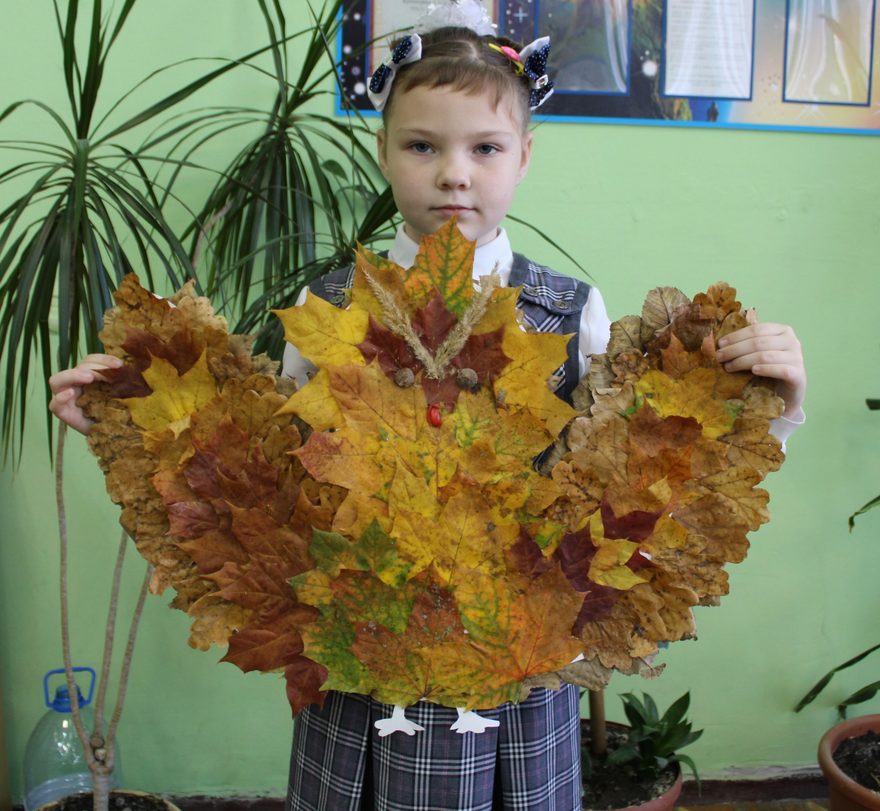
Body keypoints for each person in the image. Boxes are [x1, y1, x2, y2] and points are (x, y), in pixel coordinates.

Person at [49, 5, 807, 810]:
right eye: (422, 145)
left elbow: (635, 482)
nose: (455, 173)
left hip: (517, 683)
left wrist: (767, 405)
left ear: (524, 154)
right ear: (384, 150)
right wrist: (136, 425)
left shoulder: (567, 308)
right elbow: (273, 471)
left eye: (485, 147)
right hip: (362, 674)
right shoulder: (329, 306)